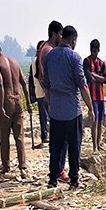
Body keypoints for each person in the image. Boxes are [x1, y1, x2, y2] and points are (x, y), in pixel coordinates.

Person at [43, 25, 94, 189]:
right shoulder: (75, 58)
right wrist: (91, 108)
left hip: (56, 111)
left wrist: (51, 104)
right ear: (73, 40)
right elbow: (82, 85)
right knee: (74, 146)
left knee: (55, 146)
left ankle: (52, 179)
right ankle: (74, 179)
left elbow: (46, 85)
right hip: (72, 110)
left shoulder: (50, 56)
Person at [0, 40, 31, 179]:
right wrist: (28, 103)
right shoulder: (14, 62)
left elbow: (0, 85)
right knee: (19, 137)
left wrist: (1, 106)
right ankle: (23, 168)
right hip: (19, 100)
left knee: (4, 136)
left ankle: (6, 167)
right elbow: (24, 83)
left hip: (8, 102)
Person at [37, 21, 69, 181]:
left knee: (58, 137)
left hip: (51, 97)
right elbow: (49, 78)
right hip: (54, 98)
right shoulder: (49, 51)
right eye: (61, 34)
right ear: (55, 33)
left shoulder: (44, 49)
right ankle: (59, 169)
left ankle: (57, 169)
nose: (62, 37)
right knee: (61, 138)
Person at [83, 39, 106, 153]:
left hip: (101, 96)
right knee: (94, 120)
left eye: (96, 51)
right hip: (92, 96)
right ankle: (94, 147)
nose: (94, 53)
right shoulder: (86, 61)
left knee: (100, 121)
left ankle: (98, 143)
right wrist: (98, 77)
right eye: (93, 51)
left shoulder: (101, 63)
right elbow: (89, 78)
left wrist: (94, 75)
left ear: (98, 50)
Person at [29, 40, 48, 148]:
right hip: (42, 92)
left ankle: (46, 135)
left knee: (45, 115)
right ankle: (45, 135)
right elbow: (38, 78)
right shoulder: (37, 62)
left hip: (41, 91)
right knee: (44, 115)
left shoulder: (38, 61)